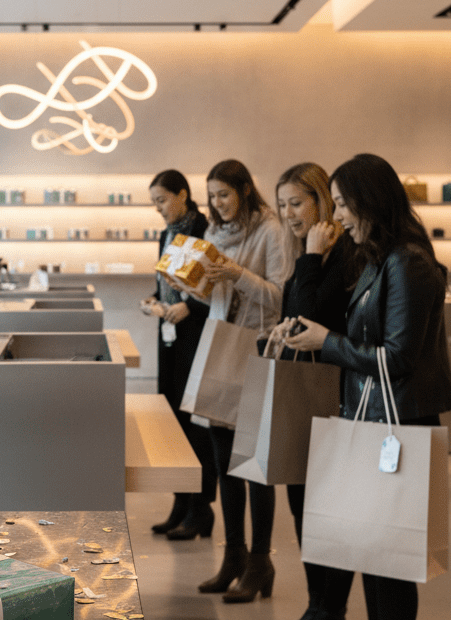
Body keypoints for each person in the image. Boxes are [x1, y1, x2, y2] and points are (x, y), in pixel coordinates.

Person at [286, 153, 451, 620]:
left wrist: (328, 342)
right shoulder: (382, 259)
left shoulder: (407, 262)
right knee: (376, 556)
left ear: (370, 201)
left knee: (390, 564)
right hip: (375, 420)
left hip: (396, 425)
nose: (338, 215)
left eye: (343, 204)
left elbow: (397, 357)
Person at [195, 159, 288, 603]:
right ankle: (233, 555)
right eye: (212, 196)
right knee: (224, 462)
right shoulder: (213, 234)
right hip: (220, 349)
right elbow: (214, 297)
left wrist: (237, 274)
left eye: (224, 194)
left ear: (245, 190)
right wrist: (194, 285)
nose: (217, 203)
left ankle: (260, 560)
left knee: (254, 465)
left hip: (255, 349)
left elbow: (280, 297)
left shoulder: (270, 230)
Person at [267, 163, 354, 620]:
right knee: (301, 499)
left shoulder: (340, 254)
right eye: (283, 205)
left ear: (322, 202)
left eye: (297, 203)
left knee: (328, 504)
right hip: (306, 391)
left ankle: (329, 605)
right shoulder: (305, 252)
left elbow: (312, 315)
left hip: (336, 394)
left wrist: (313, 256)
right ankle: (317, 601)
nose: (289, 214)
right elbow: (297, 317)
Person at [141, 169, 217, 539]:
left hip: (195, 335)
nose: (159, 208)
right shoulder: (166, 234)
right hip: (169, 335)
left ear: (182, 194)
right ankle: (181, 503)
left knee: (195, 422)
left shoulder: (205, 230)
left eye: (162, 200)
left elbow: (212, 289)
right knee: (173, 419)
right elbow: (164, 284)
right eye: (154, 202)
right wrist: (154, 301)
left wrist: (189, 305)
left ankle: (201, 508)